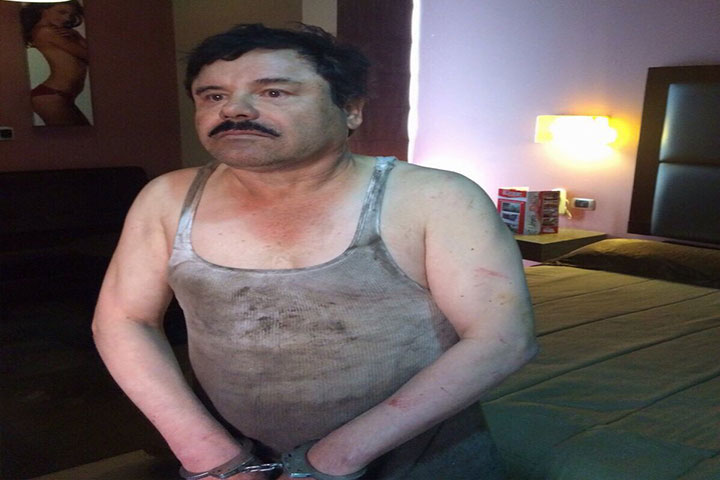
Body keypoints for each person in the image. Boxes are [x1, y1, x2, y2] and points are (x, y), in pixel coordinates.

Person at [92, 23, 537, 479]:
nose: (234, 109)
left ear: (351, 110)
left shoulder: (436, 197)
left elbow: (501, 339)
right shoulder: (167, 198)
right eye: (212, 96)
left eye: (274, 92)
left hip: (422, 457)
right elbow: (124, 320)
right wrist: (210, 455)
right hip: (235, 457)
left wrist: (335, 457)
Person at [20, 1, 90, 126]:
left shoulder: (56, 31)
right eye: (62, 12)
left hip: (58, 95)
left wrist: (77, 35)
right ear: (43, 10)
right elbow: (88, 56)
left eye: (71, 15)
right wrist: (77, 36)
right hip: (52, 96)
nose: (67, 18)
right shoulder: (46, 31)